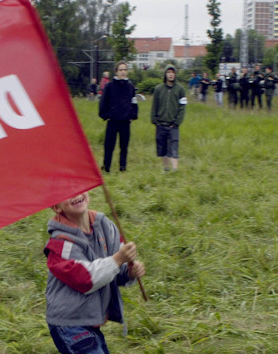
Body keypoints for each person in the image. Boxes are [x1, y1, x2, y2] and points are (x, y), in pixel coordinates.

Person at [43, 191, 145, 353]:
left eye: (78, 187)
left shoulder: (106, 226)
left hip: (89, 318)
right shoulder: (59, 244)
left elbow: (116, 271)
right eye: (67, 192)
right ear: (56, 207)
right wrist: (118, 259)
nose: (75, 193)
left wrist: (129, 272)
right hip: (69, 322)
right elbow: (86, 279)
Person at [98, 62, 138, 173]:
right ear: (116, 71)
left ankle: (123, 167)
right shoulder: (109, 86)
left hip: (125, 122)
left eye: (125, 69)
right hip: (113, 121)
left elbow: (134, 102)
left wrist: (133, 115)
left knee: (124, 147)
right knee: (109, 146)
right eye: (120, 70)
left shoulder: (130, 86)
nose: (123, 72)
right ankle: (106, 167)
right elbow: (103, 102)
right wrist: (106, 115)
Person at [150, 65, 187, 172]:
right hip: (161, 124)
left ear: (175, 74)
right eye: (168, 72)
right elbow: (154, 106)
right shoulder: (158, 89)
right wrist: (155, 120)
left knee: (174, 145)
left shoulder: (180, 90)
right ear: (165, 74)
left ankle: (175, 168)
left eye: (173, 72)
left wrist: (177, 122)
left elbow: (182, 107)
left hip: (173, 125)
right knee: (162, 147)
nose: (171, 75)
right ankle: (166, 168)